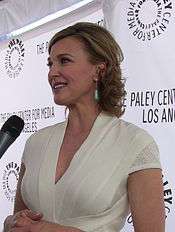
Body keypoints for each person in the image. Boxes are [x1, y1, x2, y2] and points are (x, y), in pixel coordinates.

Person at [3, 22, 165, 232]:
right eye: (50, 63)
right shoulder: (36, 142)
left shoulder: (136, 144)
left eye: (64, 61)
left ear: (99, 70)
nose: (53, 72)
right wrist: (10, 223)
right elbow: (20, 219)